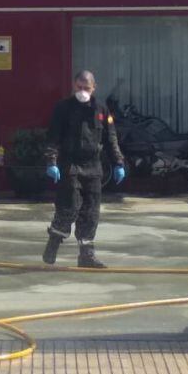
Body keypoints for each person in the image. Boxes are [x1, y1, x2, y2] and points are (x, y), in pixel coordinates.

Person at [42, 70, 126, 268]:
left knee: (91, 212)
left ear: (93, 88)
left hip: (93, 167)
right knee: (69, 207)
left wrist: (118, 163)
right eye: (79, 87)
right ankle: (54, 241)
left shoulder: (101, 110)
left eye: (86, 88)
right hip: (70, 165)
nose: (82, 91)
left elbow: (111, 138)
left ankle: (86, 255)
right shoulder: (63, 108)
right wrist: (51, 162)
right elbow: (53, 137)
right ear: (74, 86)